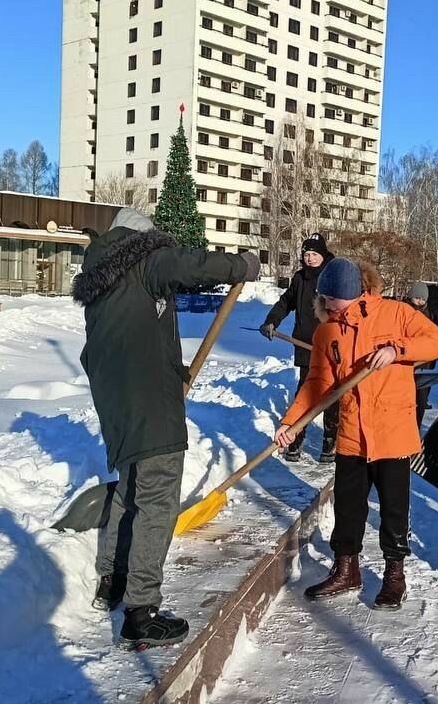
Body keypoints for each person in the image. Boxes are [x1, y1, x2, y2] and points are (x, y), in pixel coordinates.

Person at [72, 208, 260, 649]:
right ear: (143, 239)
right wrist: (243, 265)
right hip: (149, 404)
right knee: (157, 500)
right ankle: (141, 612)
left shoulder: (101, 276)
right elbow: (191, 265)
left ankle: (111, 582)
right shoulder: (144, 259)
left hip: (117, 405)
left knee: (130, 488)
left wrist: (170, 370)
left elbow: (127, 338)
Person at [273, 258, 438, 610]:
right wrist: (292, 424)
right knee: (349, 507)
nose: (325, 305)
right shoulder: (327, 331)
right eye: (324, 298)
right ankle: (346, 569)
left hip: (392, 432)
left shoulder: (396, 314)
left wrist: (397, 350)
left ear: (351, 293)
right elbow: (317, 383)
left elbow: (437, 342)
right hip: (353, 433)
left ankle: (394, 575)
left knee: (393, 509)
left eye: (331, 298)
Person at [260, 233, 338, 462]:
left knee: (332, 396)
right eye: (306, 254)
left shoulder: (333, 277)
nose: (310, 258)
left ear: (323, 255)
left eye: (314, 254)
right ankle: (295, 439)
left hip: (330, 347)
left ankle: (330, 442)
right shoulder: (300, 278)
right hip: (305, 347)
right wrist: (271, 320)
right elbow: (286, 302)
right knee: (305, 393)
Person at [404, 281, 438, 428]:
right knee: (406, 401)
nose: (420, 301)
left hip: (424, 362)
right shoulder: (403, 311)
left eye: (423, 299)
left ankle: (415, 431)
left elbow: (437, 334)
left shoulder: (429, 313)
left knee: (420, 401)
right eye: (418, 298)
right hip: (406, 364)